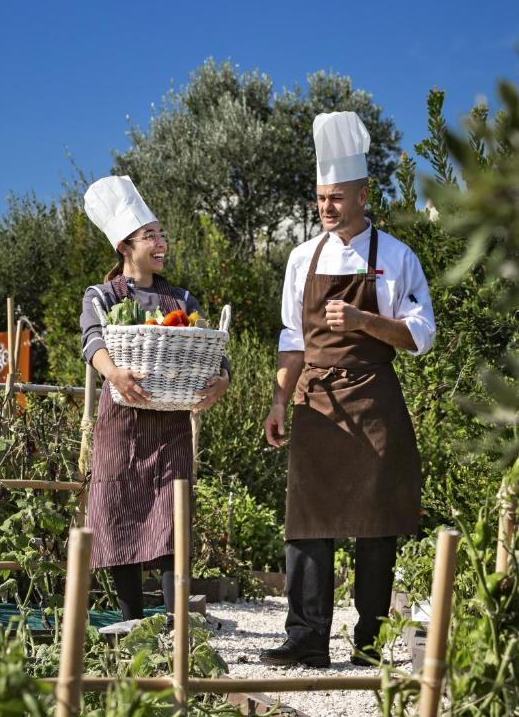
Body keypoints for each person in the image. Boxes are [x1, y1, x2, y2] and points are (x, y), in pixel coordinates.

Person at [262, 111, 435, 668]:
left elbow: (421, 335)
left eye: (337, 197)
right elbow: (292, 338)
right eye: (320, 198)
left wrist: (364, 321)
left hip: (374, 398)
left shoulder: (398, 257)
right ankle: (306, 638)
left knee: (376, 522)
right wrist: (279, 400)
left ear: (363, 194)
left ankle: (370, 643)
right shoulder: (300, 258)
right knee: (307, 520)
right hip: (316, 400)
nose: (326, 207)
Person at [81, 175, 230, 621]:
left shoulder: (179, 298)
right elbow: (92, 341)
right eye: (150, 236)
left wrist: (222, 379)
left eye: (161, 234)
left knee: (170, 515)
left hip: (170, 421)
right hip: (121, 419)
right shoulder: (101, 296)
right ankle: (131, 623)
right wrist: (115, 375)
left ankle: (177, 623)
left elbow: (211, 347)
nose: (161, 243)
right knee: (118, 513)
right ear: (125, 247)